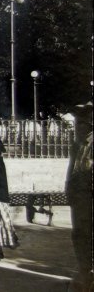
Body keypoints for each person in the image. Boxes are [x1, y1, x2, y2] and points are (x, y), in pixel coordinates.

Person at [67, 101, 92, 291]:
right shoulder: (77, 145)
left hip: (89, 196)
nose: (78, 126)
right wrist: (70, 190)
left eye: (82, 122)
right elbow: (72, 169)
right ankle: (84, 271)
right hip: (79, 198)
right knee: (79, 235)